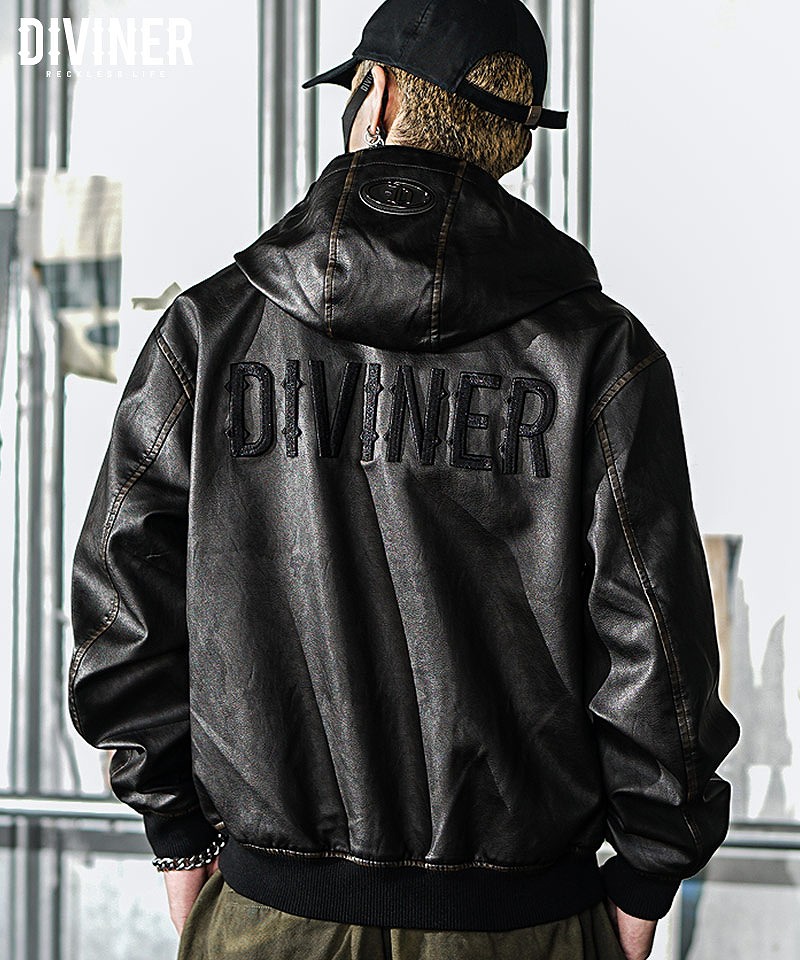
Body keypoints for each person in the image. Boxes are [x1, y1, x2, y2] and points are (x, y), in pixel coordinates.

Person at [67, 1, 741, 958]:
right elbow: (658, 648)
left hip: (271, 918)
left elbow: (120, 612)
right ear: (513, 141)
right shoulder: (601, 356)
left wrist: (176, 829)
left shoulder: (209, 334)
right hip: (523, 927)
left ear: (375, 94)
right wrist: (646, 872)